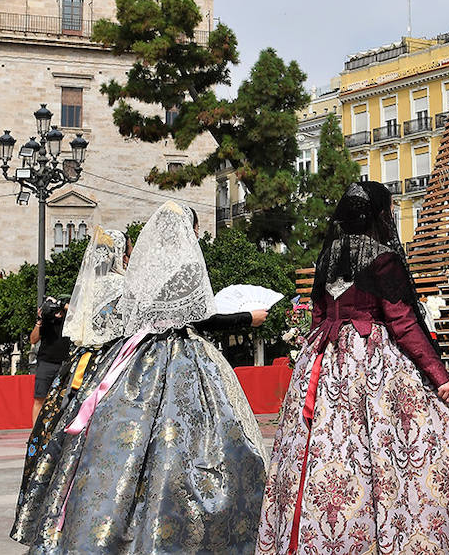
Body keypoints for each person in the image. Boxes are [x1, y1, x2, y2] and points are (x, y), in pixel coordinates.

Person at [258, 182, 449, 554]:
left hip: (323, 360)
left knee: (324, 452)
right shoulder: (382, 257)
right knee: (391, 451)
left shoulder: (329, 256)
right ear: (378, 215)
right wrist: (441, 377)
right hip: (373, 361)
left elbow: (320, 316)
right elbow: (402, 323)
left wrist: (315, 360)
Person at [25, 202, 270, 554]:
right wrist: (248, 317)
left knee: (118, 446)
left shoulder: (143, 268)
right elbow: (200, 320)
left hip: (133, 359)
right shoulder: (186, 265)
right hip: (181, 356)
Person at [12, 227, 128, 546]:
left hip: (76, 368)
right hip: (111, 363)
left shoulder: (86, 288)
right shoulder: (123, 286)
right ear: (118, 254)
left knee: (62, 434)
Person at [28, 295, 71, 423]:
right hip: (46, 363)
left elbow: (76, 310)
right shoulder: (47, 320)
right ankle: (34, 434)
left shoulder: (70, 319)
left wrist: (60, 304)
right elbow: (33, 339)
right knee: (40, 398)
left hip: (64, 363)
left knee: (62, 399)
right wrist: (39, 321)